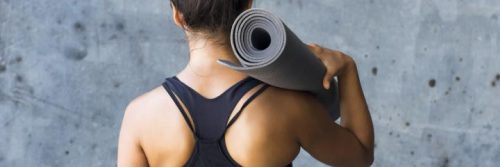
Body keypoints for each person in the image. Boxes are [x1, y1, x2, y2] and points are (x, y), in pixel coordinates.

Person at [117, 0, 374, 166]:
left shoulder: (139, 117)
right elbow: (360, 156)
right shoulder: (288, 107)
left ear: (177, 14)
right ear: (248, 5)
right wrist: (348, 69)